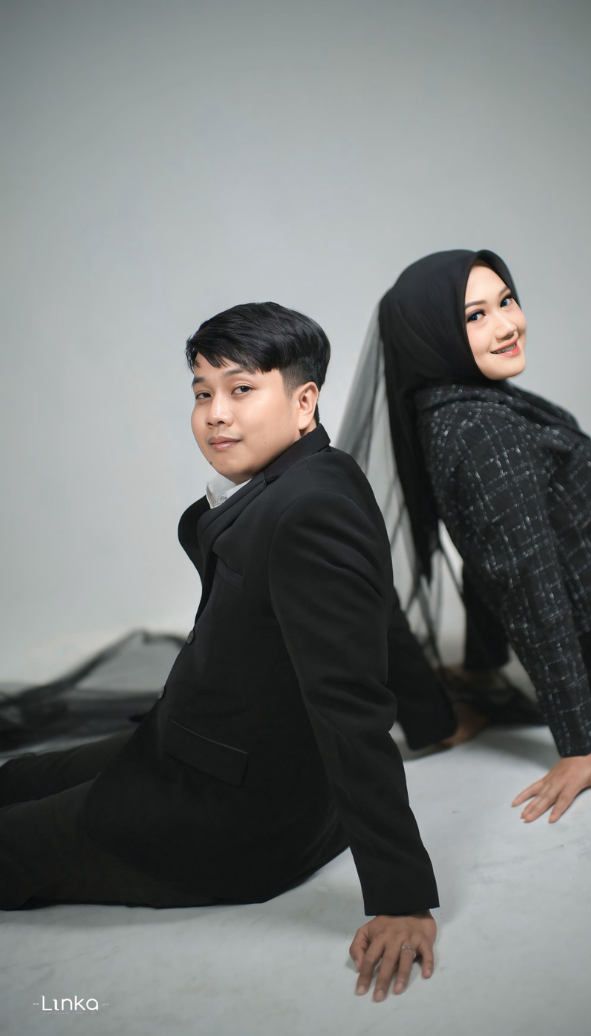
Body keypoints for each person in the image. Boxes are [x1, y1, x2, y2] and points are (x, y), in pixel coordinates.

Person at [0, 302, 440, 1002]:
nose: (215, 414)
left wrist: (401, 897)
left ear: (304, 403)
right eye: (203, 393)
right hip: (190, 746)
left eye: (240, 390)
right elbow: (381, 614)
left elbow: (350, 706)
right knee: (19, 776)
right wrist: (436, 720)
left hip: (228, 816)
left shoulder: (310, 510)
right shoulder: (308, 477)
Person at [339, 249, 591, 824]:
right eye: (475, 316)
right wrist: (576, 749)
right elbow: (530, 589)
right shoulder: (485, 437)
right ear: (434, 334)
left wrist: (482, 670)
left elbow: (480, 555)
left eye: (505, 301)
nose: (506, 325)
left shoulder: (447, 403)